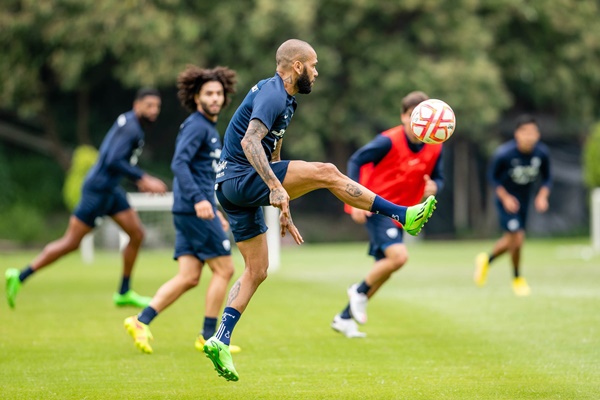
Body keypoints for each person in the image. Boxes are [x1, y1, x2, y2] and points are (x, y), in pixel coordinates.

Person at [201, 39, 438, 382]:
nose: (316, 71)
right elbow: (249, 142)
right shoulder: (273, 93)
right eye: (313, 65)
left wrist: (282, 200)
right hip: (241, 179)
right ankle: (403, 214)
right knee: (328, 171)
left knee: (257, 270)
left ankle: (220, 339)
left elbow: (274, 152)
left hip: (233, 190)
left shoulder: (287, 101)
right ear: (296, 66)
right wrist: (276, 186)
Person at [5, 88, 167, 309]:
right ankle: (20, 275)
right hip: (97, 191)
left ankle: (123, 292)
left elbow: (117, 160)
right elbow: (112, 160)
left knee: (137, 234)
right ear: (136, 105)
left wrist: (138, 179)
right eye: (149, 106)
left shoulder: (131, 123)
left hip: (111, 190)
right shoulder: (131, 129)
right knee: (70, 243)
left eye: (157, 106)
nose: (154, 111)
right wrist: (143, 178)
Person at [123, 65, 242, 355]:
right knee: (225, 269)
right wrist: (202, 202)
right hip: (194, 209)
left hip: (194, 208)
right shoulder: (197, 126)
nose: (214, 98)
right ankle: (207, 336)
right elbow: (179, 164)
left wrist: (216, 208)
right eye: (208, 93)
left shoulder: (208, 128)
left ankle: (141, 320)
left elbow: (203, 174)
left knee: (189, 276)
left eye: (218, 93)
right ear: (196, 97)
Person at [332, 91, 444, 338]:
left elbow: (439, 177)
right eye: (414, 116)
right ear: (404, 116)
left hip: (404, 213)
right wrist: (355, 203)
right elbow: (356, 160)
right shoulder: (388, 141)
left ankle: (344, 318)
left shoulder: (436, 147)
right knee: (399, 257)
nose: (419, 123)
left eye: (423, 116)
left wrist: (435, 186)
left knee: (384, 270)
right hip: (378, 207)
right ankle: (358, 291)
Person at [474, 114, 551, 296]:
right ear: (517, 134)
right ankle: (517, 278)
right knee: (517, 239)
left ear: (538, 135)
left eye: (533, 132)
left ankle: (486, 260)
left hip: (524, 201)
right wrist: (505, 197)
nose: (529, 137)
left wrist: (542, 196)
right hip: (506, 201)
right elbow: (492, 178)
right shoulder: (504, 154)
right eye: (525, 132)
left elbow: (547, 178)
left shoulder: (541, 153)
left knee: (512, 240)